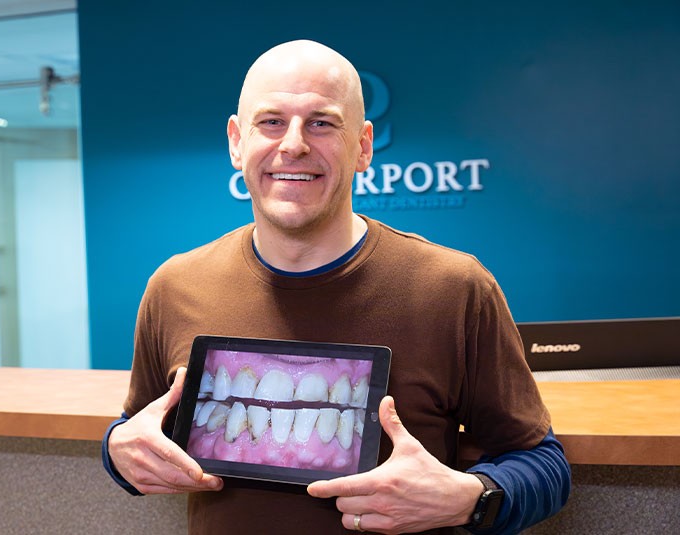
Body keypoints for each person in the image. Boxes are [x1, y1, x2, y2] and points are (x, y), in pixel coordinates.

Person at [103, 39, 570, 534]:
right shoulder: (175, 286)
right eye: (271, 121)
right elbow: (133, 432)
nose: (293, 144)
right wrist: (116, 452)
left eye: (321, 122)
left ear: (363, 146)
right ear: (237, 141)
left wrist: (470, 500)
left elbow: (545, 465)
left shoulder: (453, 289)